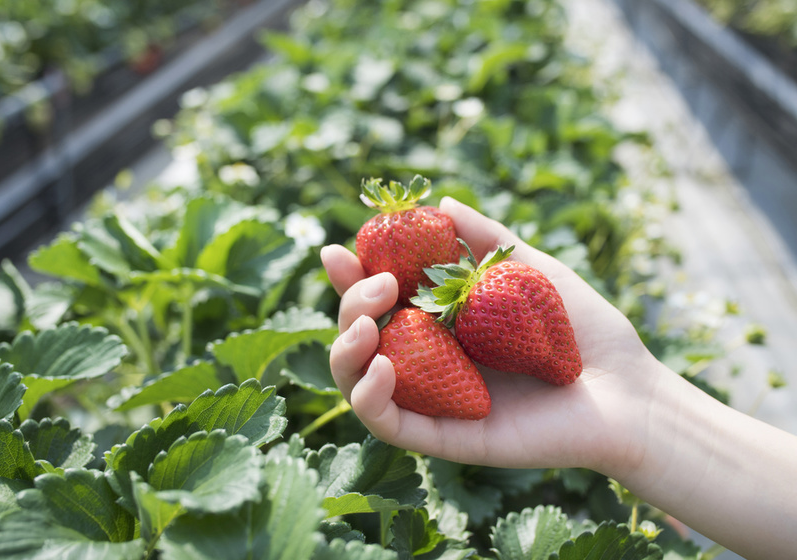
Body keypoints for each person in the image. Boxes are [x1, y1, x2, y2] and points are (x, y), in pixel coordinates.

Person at [321, 196, 797, 560]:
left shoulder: (496, 293)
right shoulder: (485, 297)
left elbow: (549, 357)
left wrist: (637, 406)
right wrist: (644, 426)